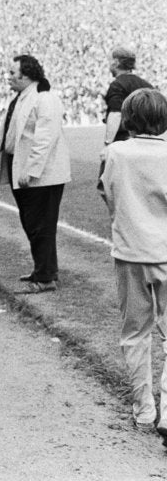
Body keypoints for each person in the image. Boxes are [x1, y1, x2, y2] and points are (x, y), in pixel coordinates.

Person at [99, 88, 167, 438]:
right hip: (165, 250)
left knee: (135, 333)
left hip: (130, 251)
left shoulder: (115, 153)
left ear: (127, 119)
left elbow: (108, 194)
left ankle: (144, 408)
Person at [0, 54, 72, 293]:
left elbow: (44, 138)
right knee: (32, 223)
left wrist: (31, 170)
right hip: (22, 169)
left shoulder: (44, 98)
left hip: (41, 175)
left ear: (26, 75)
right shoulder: (21, 98)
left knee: (41, 225)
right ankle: (43, 270)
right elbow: (6, 133)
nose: (8, 78)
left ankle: (46, 277)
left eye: (11, 74)